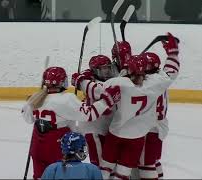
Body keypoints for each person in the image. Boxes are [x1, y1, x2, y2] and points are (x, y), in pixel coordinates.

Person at [73, 32, 180, 179]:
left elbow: (98, 90)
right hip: (145, 132)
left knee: (105, 167)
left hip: (119, 131)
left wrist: (81, 81)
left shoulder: (121, 83)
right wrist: (173, 53)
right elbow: (172, 71)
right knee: (142, 166)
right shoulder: (157, 82)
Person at [21, 66, 120, 179]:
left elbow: (28, 119)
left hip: (38, 145)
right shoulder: (66, 99)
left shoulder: (35, 99)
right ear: (62, 82)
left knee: (40, 176)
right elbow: (89, 114)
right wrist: (107, 101)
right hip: (57, 145)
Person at [130, 52, 170, 179]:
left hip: (150, 129)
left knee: (146, 165)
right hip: (159, 127)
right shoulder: (162, 77)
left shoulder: (148, 83)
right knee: (153, 161)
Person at [72, 55, 117, 166]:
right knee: (99, 164)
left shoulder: (92, 81)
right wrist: (83, 79)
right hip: (92, 129)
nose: (106, 71)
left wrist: (82, 79)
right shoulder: (97, 84)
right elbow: (99, 91)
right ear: (95, 71)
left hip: (105, 127)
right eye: (103, 69)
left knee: (109, 162)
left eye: (108, 68)